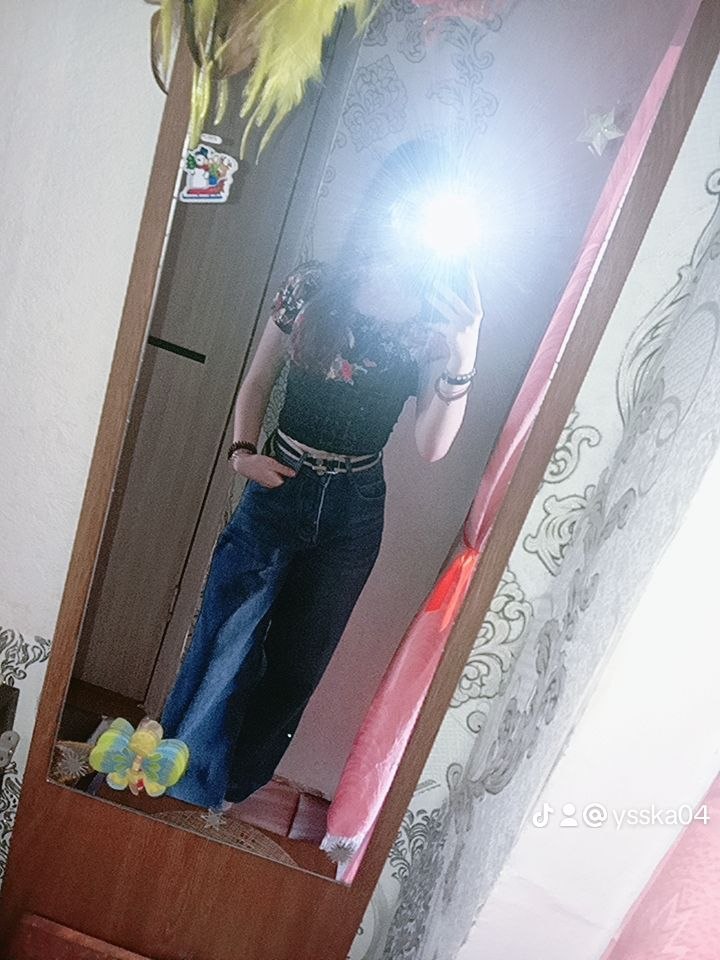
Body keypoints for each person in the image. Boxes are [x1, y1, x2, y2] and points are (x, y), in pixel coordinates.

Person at [160, 141, 485, 810]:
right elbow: (258, 379)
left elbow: (430, 446)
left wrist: (465, 351)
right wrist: (241, 453)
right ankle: (176, 778)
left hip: (354, 511)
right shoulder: (313, 285)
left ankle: (226, 796)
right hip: (279, 484)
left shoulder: (435, 320)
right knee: (225, 640)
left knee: (295, 669)